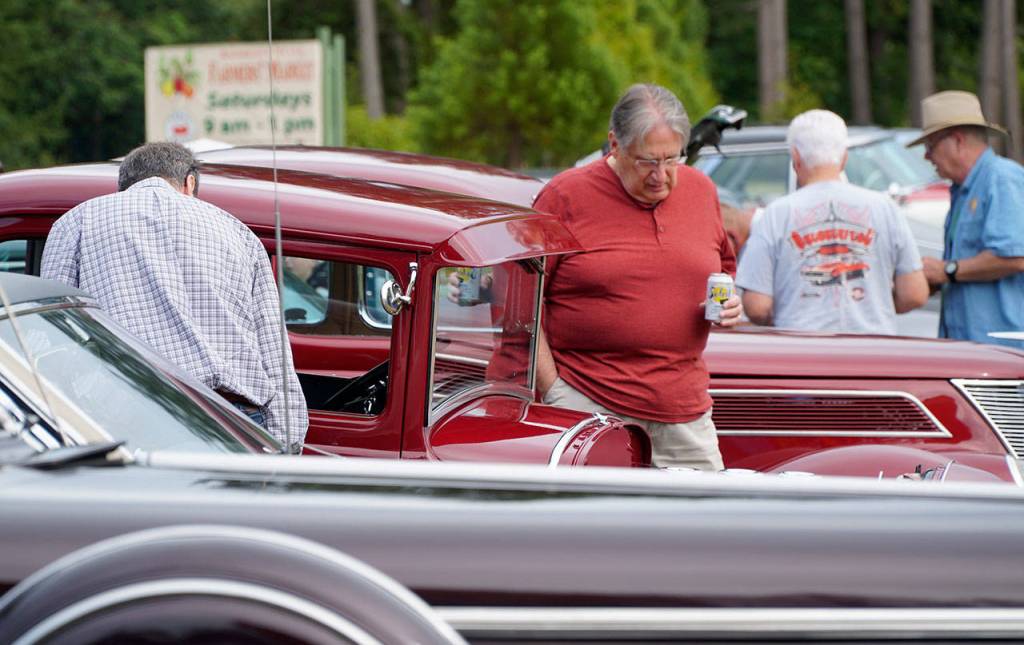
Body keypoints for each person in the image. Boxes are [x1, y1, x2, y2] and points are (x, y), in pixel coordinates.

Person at [41, 142, 308, 450]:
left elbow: (54, 335)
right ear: (189, 183)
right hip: (232, 420)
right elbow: (273, 350)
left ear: (123, 186)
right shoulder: (238, 232)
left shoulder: (76, 222)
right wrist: (286, 443)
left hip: (128, 416)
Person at [533, 83, 742, 472]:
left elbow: (723, 269)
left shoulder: (701, 190)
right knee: (595, 527)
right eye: (647, 161)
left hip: (683, 411)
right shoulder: (565, 196)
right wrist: (556, 392)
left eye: (672, 159)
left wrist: (730, 304)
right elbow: (521, 303)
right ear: (615, 144)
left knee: (705, 524)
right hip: (588, 404)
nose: (661, 177)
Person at [737, 109, 928, 333]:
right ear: (844, 157)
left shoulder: (776, 214)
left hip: (801, 354)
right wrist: (875, 307)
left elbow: (757, 306)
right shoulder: (885, 208)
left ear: (795, 158)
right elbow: (914, 293)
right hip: (874, 353)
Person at [908, 90, 1024, 348]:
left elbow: (1016, 257)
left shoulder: (1003, 180)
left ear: (957, 140)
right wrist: (936, 278)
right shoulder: (963, 190)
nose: (927, 157)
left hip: (1002, 352)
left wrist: (947, 271)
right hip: (972, 349)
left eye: (930, 146)